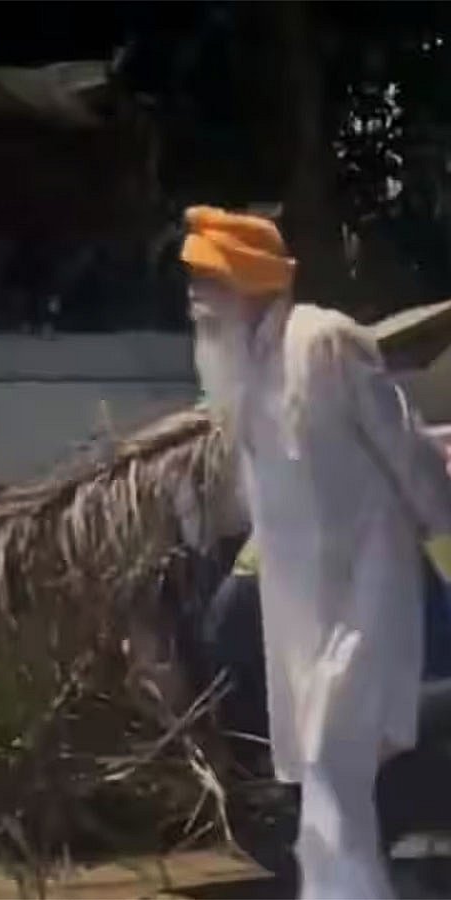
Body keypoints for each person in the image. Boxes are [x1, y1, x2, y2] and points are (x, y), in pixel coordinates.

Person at [181, 205, 451, 899]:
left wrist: (442, 527)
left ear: (249, 281)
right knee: (325, 777)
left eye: (206, 280)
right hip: (300, 611)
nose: (194, 297)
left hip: (367, 592)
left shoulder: (326, 341)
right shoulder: (244, 378)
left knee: (335, 763)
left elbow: (405, 446)